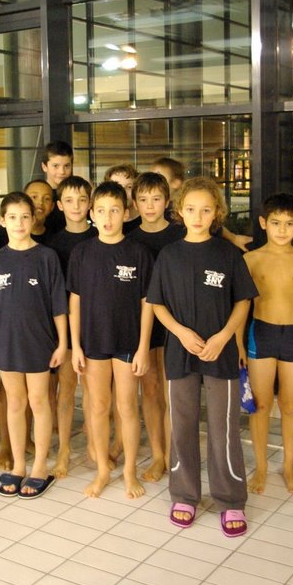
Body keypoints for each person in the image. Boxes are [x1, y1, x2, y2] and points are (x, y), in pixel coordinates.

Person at [147, 177, 256, 537]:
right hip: (181, 351)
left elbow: (243, 301)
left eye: (206, 210)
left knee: (224, 427)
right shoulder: (169, 255)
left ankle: (230, 498)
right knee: (182, 424)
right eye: (191, 209)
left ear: (217, 213)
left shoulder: (228, 254)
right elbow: (157, 304)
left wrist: (224, 337)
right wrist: (180, 332)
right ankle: (184, 495)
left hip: (220, 352)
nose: (198, 216)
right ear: (179, 211)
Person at [69, 181, 154, 499]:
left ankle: (129, 470)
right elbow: (75, 302)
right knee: (98, 406)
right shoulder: (82, 252)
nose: (107, 218)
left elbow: (148, 304)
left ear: (126, 213)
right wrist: (76, 346)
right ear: (92, 213)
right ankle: (103, 469)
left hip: (128, 342)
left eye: (115, 211)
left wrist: (143, 347)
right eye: (102, 211)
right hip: (93, 342)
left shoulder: (138, 253)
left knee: (127, 406)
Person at [0, 191, 69, 499]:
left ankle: (40, 466)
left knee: (39, 402)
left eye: (25, 217)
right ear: (2, 221)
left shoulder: (47, 257)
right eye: (12, 217)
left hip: (39, 341)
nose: (19, 223)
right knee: (15, 403)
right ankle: (19, 464)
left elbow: (58, 305)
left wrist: (62, 343)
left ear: (33, 220)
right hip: (6, 342)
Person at [243, 194, 293, 495]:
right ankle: (261, 467)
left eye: (289, 224)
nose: (282, 230)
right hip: (261, 333)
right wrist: (238, 346)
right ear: (264, 223)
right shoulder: (251, 259)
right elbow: (240, 307)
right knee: (260, 405)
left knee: (289, 405)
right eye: (276, 223)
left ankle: (289, 466)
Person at [126, 172, 184, 482]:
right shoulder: (129, 237)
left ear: (167, 201)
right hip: (142, 323)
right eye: (143, 200)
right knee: (150, 390)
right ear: (134, 203)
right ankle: (158, 455)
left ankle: (175, 454)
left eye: (156, 199)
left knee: (172, 390)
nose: (150, 206)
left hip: (176, 321)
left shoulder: (180, 234)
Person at [44, 175, 97, 478]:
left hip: (95, 324)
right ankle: (63, 448)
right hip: (64, 327)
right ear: (60, 205)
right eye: (69, 200)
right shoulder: (53, 245)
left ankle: (93, 443)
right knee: (66, 390)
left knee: (92, 390)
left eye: (82, 200)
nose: (76, 206)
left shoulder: (100, 236)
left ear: (90, 203)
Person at [0, 179, 55, 250]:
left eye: (47, 199)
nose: (40, 202)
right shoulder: (6, 231)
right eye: (34, 197)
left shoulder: (55, 237)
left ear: (52, 206)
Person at [41, 140, 74, 236]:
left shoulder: (77, 193)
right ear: (44, 166)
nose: (62, 171)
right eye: (56, 166)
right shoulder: (37, 195)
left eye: (67, 166)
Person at [103, 164, 140, 232]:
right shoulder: (102, 222)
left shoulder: (147, 219)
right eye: (117, 187)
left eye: (129, 187)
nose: (124, 192)